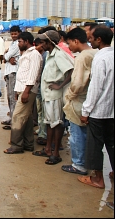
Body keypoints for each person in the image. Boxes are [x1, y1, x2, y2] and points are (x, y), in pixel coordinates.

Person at [78, 26, 114, 189]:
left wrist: (86, 111)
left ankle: (98, 179)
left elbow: (96, 87)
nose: (89, 40)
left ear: (99, 39)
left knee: (95, 146)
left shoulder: (100, 59)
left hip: (99, 111)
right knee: (111, 144)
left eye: (91, 37)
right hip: (111, 111)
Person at [32, 30, 74, 165]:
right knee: (49, 122)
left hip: (55, 95)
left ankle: (55, 153)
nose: (41, 45)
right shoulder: (50, 55)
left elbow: (70, 71)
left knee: (57, 123)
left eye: (43, 42)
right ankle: (48, 148)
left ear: (49, 42)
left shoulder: (59, 55)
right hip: (48, 95)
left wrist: (60, 85)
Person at [61, 27, 97, 175]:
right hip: (92, 100)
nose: (69, 47)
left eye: (70, 43)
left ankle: (79, 164)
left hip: (80, 100)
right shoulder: (96, 53)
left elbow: (78, 82)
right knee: (88, 135)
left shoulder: (83, 57)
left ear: (76, 41)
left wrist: (69, 95)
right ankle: (88, 162)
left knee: (77, 133)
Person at [3, 32, 42, 154]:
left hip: (28, 90)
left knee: (17, 116)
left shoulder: (34, 54)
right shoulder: (25, 54)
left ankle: (16, 145)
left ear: (26, 41)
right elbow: (22, 73)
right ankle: (28, 143)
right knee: (27, 117)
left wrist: (26, 92)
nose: (18, 44)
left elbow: (33, 75)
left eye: (20, 41)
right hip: (22, 89)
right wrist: (17, 91)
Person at [1, 26, 21, 129]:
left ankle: (14, 121)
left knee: (13, 97)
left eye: (15, 33)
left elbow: (6, 57)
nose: (13, 35)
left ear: (19, 33)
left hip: (14, 72)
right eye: (12, 34)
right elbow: (6, 57)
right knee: (9, 97)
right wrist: (6, 56)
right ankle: (11, 118)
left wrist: (6, 56)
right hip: (9, 72)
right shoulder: (12, 43)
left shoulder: (18, 44)